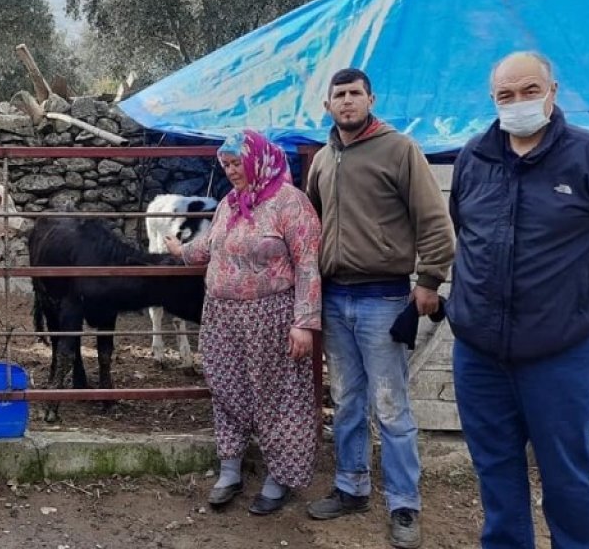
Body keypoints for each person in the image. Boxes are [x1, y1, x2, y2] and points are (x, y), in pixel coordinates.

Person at [447, 51, 589, 549]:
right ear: (492, 100)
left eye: (529, 91)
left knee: (567, 475)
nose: (518, 103)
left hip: (563, 355)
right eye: (506, 95)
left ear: (553, 92)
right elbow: (464, 230)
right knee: (495, 472)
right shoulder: (473, 158)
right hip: (479, 356)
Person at [303, 68, 454, 549]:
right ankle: (351, 487)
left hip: (385, 297)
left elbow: (434, 220)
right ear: (327, 105)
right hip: (335, 296)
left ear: (371, 98)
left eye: (354, 94)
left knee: (391, 405)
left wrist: (429, 279)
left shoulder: (400, 150)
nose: (346, 102)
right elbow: (312, 225)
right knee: (346, 400)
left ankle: (404, 503)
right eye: (338, 95)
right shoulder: (323, 160)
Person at [165, 130, 321, 515]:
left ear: (259, 160)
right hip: (221, 315)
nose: (232, 171)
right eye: (227, 165)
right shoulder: (230, 204)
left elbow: (307, 266)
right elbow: (210, 247)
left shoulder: (291, 204)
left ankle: (279, 476)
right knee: (227, 388)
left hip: (270, 315)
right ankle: (230, 469)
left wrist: (304, 322)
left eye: (238, 163)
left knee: (276, 393)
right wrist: (180, 251)